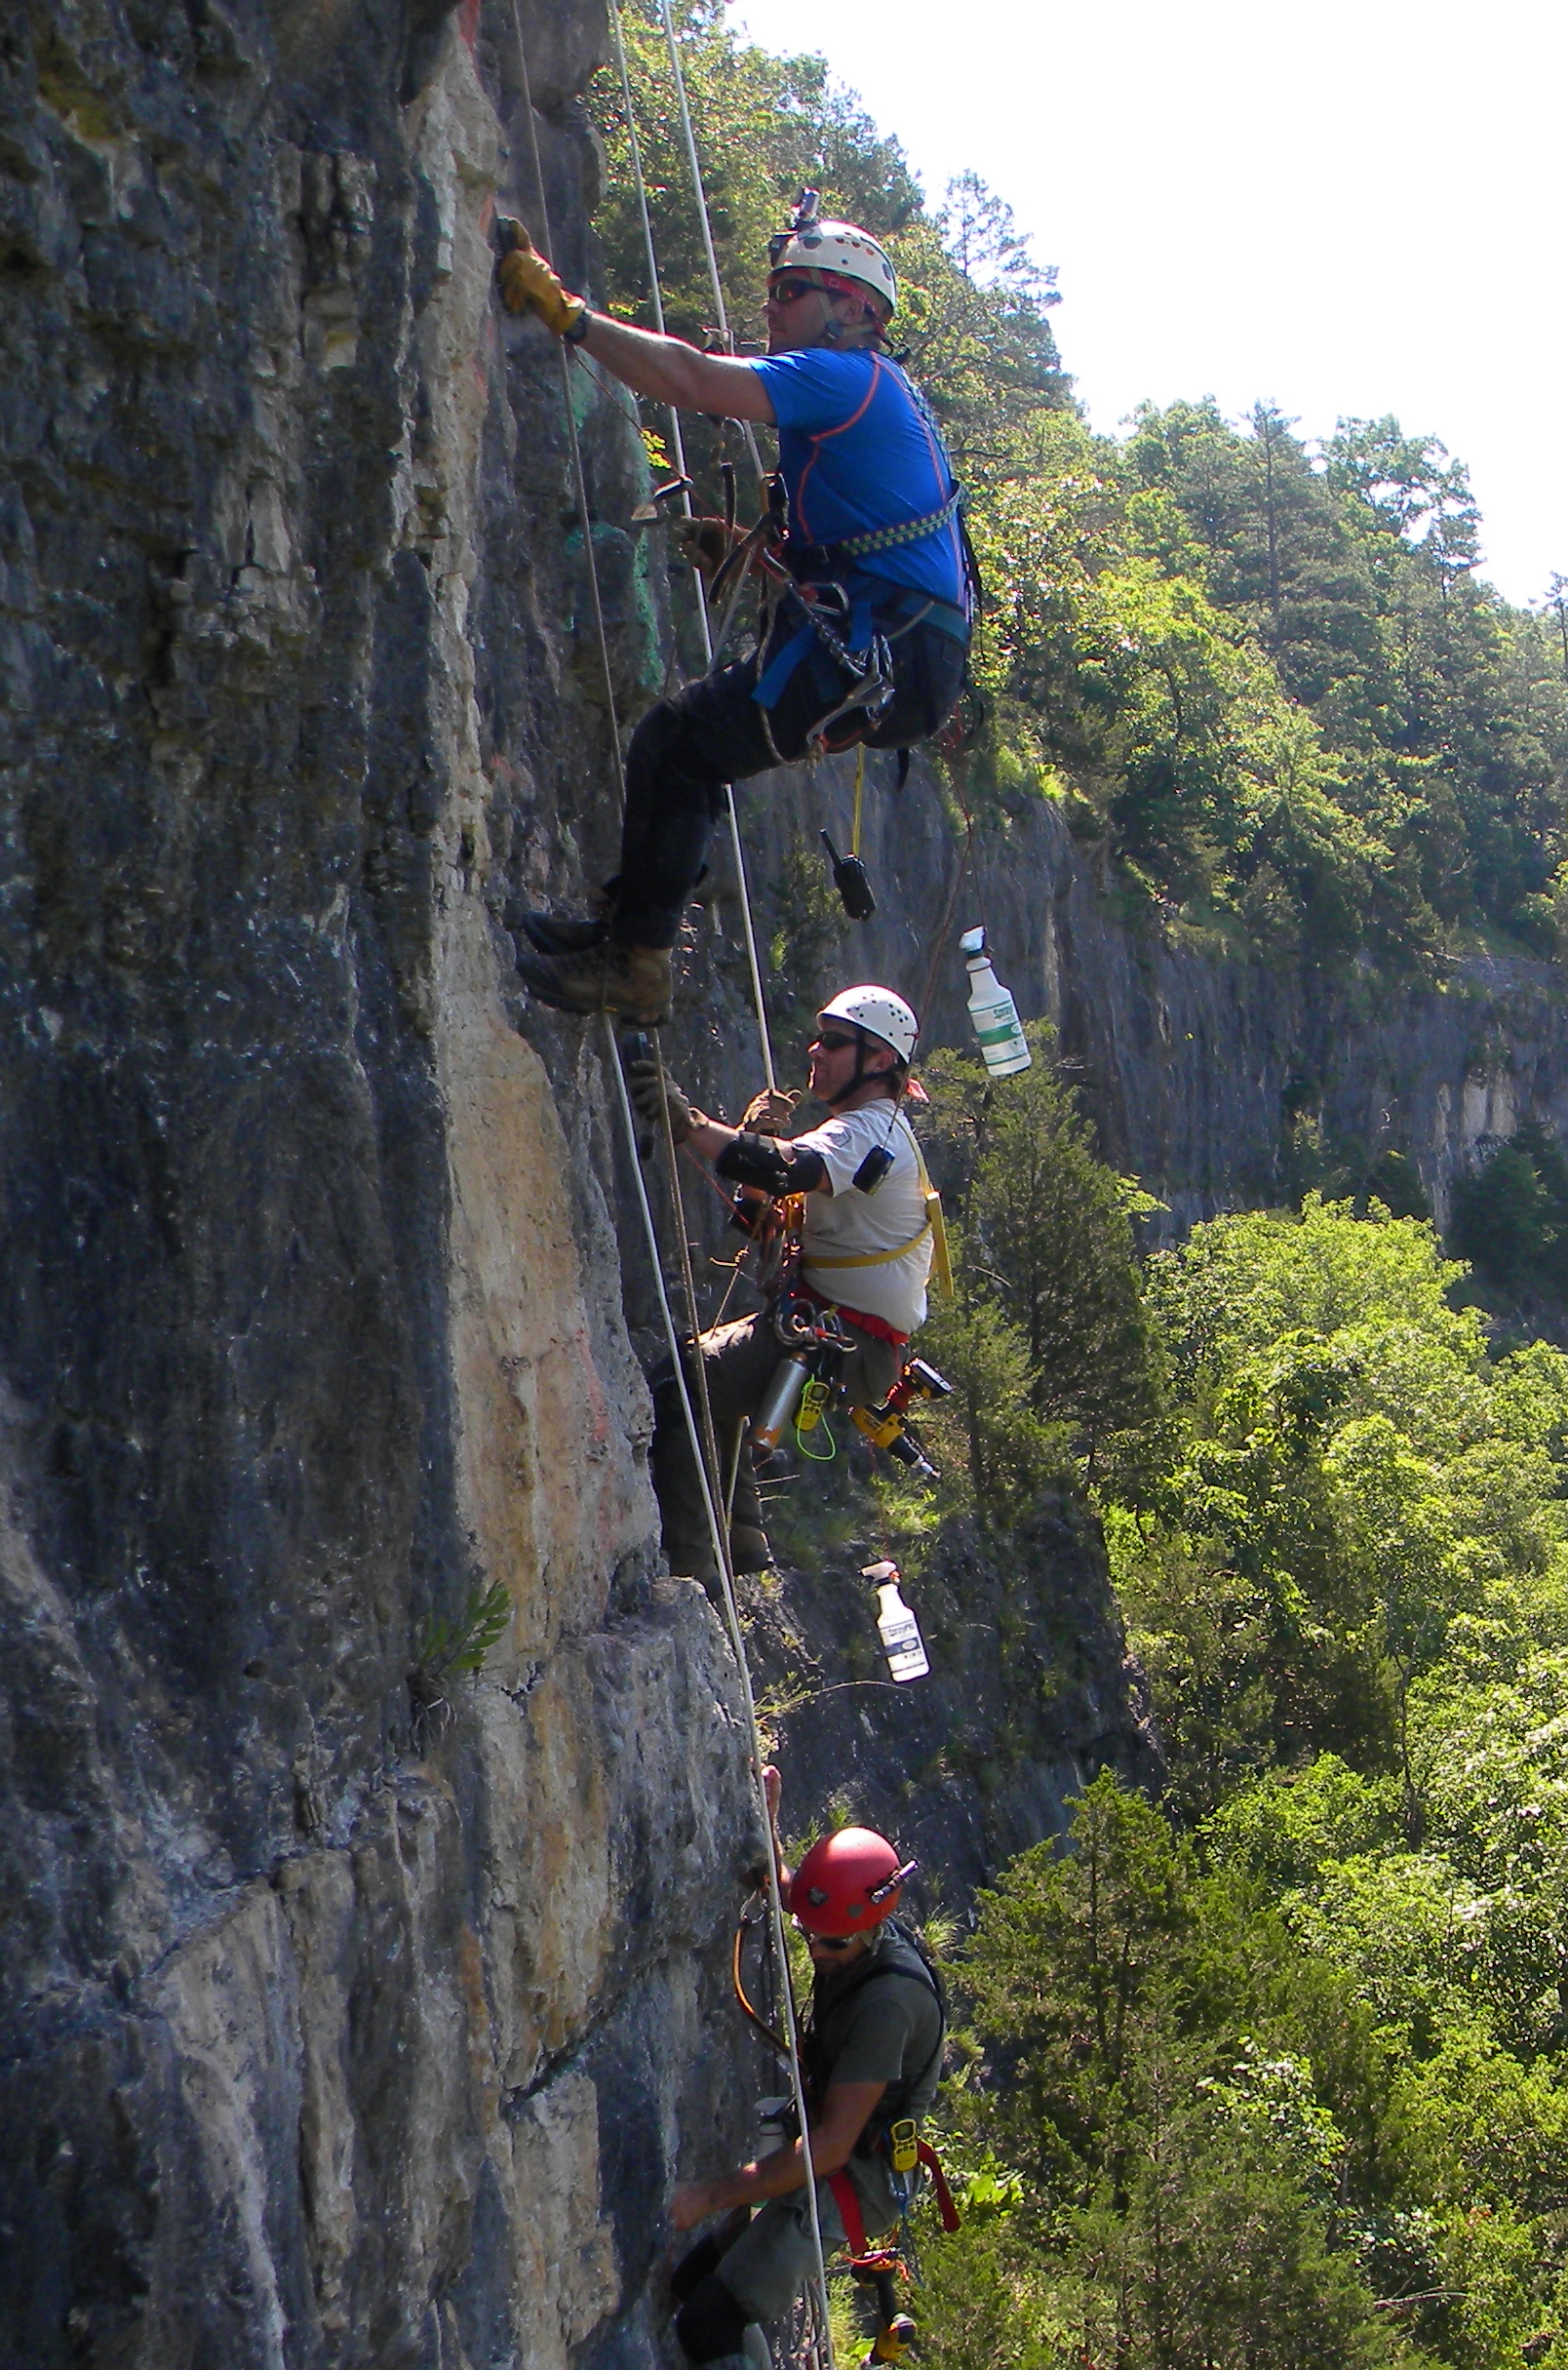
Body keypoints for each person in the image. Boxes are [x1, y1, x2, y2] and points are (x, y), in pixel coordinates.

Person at [494, 204, 970, 1024]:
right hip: (907, 650)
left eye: (792, 291)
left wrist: (566, 314)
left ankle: (636, 963)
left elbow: (687, 378)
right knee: (696, 744)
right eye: (775, 292)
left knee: (676, 745)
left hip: (881, 645)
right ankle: (634, 919)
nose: (772, 308)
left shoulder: (842, 377)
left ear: (855, 308)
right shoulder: (888, 394)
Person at [654, 1823, 946, 2370]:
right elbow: (802, 1899)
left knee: (710, 2322)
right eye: (811, 1938)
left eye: (832, 1946)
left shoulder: (887, 2000)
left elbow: (832, 2150)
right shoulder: (846, 1924)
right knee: (702, 2284)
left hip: (851, 2179)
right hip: (829, 2158)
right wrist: (773, 1834)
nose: (817, 1954)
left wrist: (715, 2195)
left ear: (871, 1929)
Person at [631, 985, 932, 1581]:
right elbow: (758, 1213)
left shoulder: (870, 1133)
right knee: (706, 1374)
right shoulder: (866, 1131)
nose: (815, 1051)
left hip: (842, 1339)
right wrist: (751, 1146)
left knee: (690, 1382)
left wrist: (692, 1124)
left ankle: (693, 1562)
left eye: (834, 1043)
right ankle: (739, 1537)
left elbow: (785, 1167)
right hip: (844, 1336)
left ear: (877, 1061)